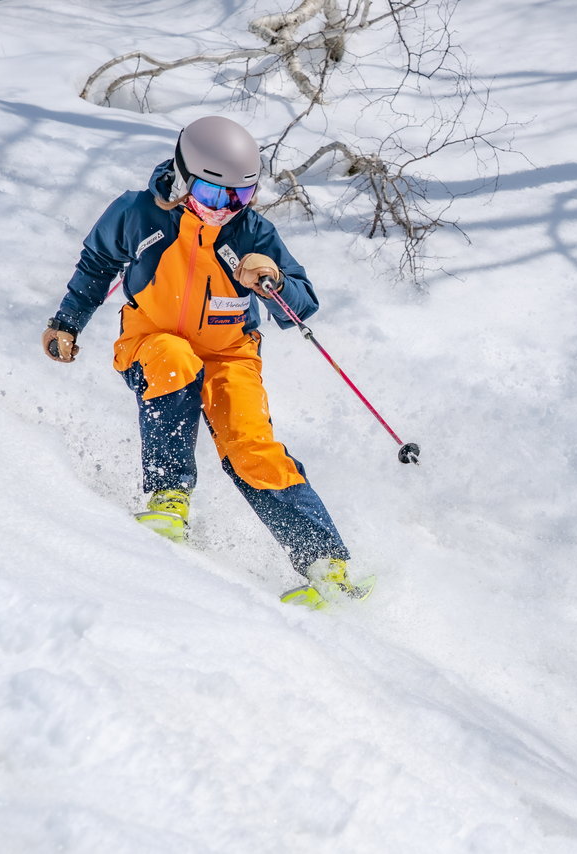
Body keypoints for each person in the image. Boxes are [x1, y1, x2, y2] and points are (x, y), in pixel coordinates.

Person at [43, 115, 363, 607]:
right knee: (173, 359)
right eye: (213, 198)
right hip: (150, 340)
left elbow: (303, 302)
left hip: (230, 352)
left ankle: (326, 564)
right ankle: (169, 496)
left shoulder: (252, 231)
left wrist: (271, 276)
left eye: (238, 199)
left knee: (250, 440)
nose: (223, 211)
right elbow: (97, 264)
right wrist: (68, 322)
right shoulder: (138, 213)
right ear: (181, 176)